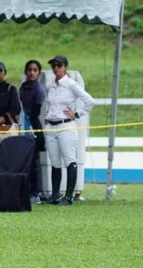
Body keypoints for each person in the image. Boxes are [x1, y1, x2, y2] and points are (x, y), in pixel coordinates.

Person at [43, 55, 95, 206]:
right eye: (54, 66)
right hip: (51, 125)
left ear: (65, 67)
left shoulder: (71, 84)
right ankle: (55, 195)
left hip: (66, 126)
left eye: (59, 65)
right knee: (54, 161)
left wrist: (78, 113)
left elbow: (90, 101)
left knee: (69, 160)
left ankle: (69, 196)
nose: (56, 68)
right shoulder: (50, 85)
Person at [20, 60, 46, 202]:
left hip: (32, 124)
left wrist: (27, 121)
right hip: (22, 123)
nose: (31, 73)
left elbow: (35, 112)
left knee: (33, 161)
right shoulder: (23, 87)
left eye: (35, 70)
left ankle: (35, 192)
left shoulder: (39, 90)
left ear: (39, 73)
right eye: (29, 70)